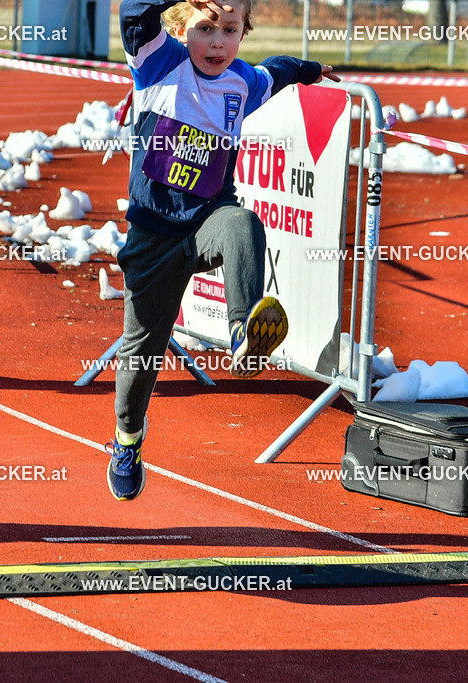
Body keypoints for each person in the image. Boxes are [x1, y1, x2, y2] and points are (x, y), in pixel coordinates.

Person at [107, 0, 340, 501]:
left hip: (208, 221)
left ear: (243, 33)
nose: (217, 42)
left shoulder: (243, 82)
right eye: (205, 29)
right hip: (154, 237)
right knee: (141, 357)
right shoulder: (158, 61)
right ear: (178, 29)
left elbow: (272, 74)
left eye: (230, 30)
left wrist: (307, 70)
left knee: (243, 223)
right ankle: (128, 438)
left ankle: (242, 332)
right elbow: (133, 12)